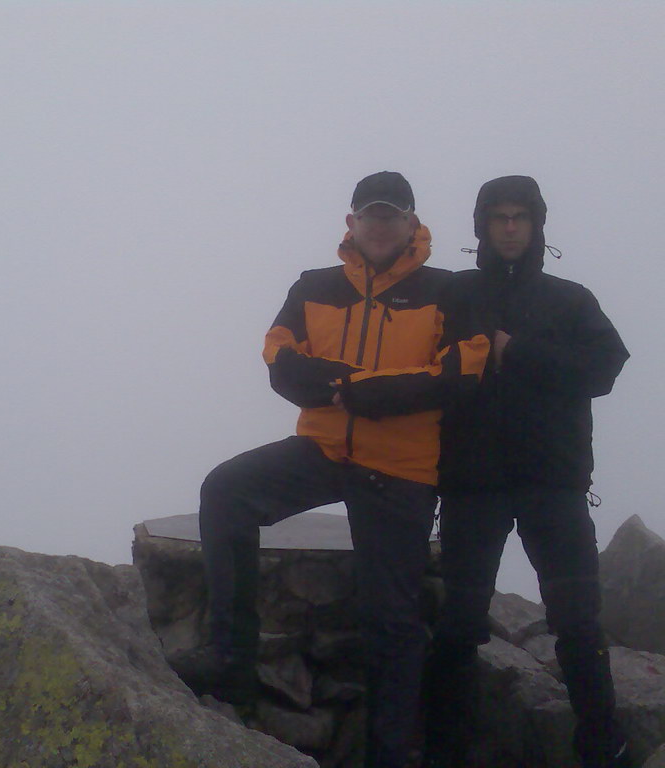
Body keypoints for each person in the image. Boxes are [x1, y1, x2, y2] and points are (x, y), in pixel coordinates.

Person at [168, 171, 489, 768]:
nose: (379, 224)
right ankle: (231, 663)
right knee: (226, 492)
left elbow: (461, 370)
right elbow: (278, 353)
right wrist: (335, 387)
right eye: (369, 213)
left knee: (390, 621)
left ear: (413, 224)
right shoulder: (314, 285)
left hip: (400, 467)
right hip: (322, 449)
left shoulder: (447, 290)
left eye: (391, 214)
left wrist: (363, 392)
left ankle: (389, 754)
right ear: (351, 222)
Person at [424, 176, 631, 768]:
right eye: (499, 218)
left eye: (520, 217)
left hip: (554, 485)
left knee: (578, 624)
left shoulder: (570, 299)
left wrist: (517, 351)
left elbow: (605, 368)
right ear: (482, 227)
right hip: (471, 485)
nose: (510, 227)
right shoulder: (454, 295)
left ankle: (601, 747)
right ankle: (444, 752)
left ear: (537, 224)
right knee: (459, 626)